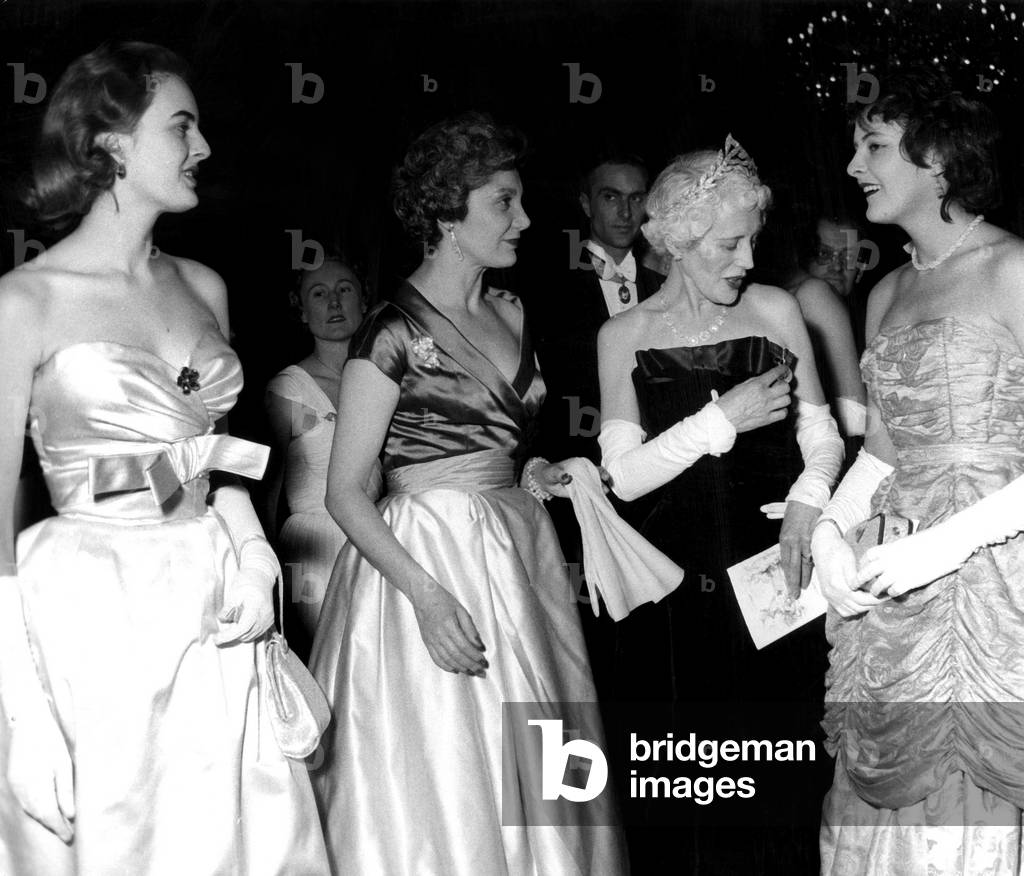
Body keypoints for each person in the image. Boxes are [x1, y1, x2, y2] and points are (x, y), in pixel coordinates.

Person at [0, 42, 327, 874]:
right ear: (111, 141)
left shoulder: (204, 286)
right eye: (182, 126)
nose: (203, 147)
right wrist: (22, 713)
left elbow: (207, 453)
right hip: (93, 606)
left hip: (212, 600)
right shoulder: (25, 301)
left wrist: (253, 554)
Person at [308, 113, 625, 875]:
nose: (524, 219)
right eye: (503, 203)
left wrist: (533, 473)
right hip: (431, 559)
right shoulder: (390, 331)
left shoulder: (512, 310)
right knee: (452, 760)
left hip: (519, 549)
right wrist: (425, 596)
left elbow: (497, 446)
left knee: (540, 745)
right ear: (449, 214)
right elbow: (346, 492)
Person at [597, 136, 843, 873]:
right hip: (674, 590)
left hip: (774, 570)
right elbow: (623, 478)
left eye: (752, 241)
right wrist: (719, 421)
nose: (746, 260)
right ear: (679, 240)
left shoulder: (775, 308)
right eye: (730, 244)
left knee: (782, 771)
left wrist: (807, 501)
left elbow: (821, 434)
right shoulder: (623, 334)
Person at [811, 71, 1024, 874]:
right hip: (896, 566)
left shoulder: (1013, 269)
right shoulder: (886, 292)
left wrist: (948, 543)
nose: (854, 166)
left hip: (996, 574)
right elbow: (884, 450)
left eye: (874, 147)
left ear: (937, 161)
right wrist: (831, 533)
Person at [264, 255, 380, 657]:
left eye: (344, 289)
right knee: (329, 661)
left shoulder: (384, 381)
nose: (333, 302)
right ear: (301, 310)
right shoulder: (289, 388)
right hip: (312, 549)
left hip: (375, 537)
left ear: (363, 300)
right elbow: (269, 489)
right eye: (318, 293)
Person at [785, 215, 868, 441]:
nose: (837, 266)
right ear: (804, 257)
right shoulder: (817, 294)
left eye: (848, 257)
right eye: (824, 253)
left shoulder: (791, 296)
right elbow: (856, 417)